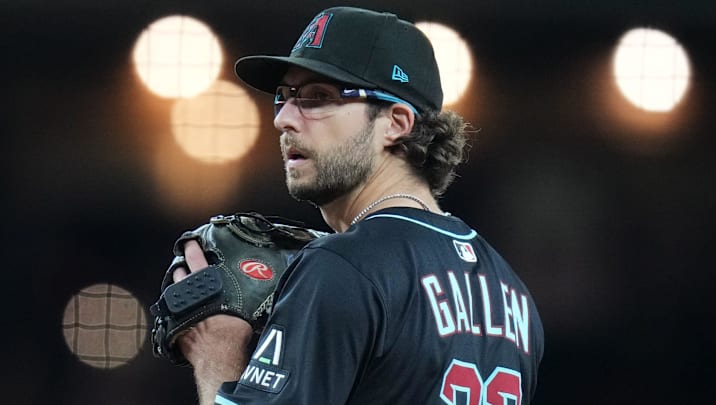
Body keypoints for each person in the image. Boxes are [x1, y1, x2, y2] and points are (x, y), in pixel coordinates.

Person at [172, 6, 544, 405]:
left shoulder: (343, 267)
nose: (284, 119)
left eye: (318, 97)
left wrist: (218, 350)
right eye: (285, 96)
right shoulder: (513, 294)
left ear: (397, 122)